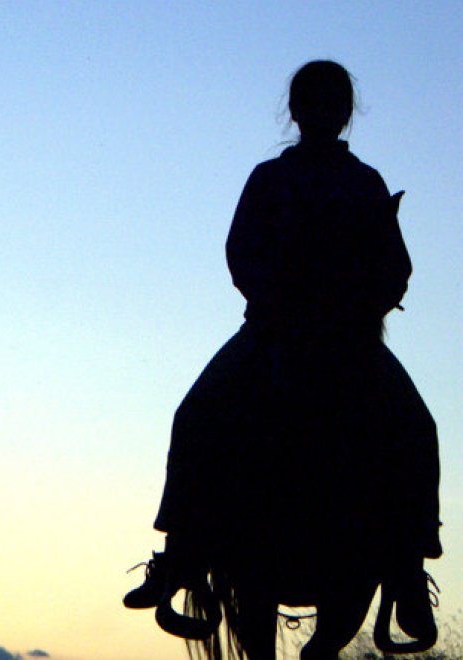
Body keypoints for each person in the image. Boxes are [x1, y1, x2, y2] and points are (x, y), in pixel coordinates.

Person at [124, 61, 440, 624]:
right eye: (312, 102)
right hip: (273, 328)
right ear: (296, 111)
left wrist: (360, 304)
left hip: (348, 338)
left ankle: (408, 565)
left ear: (345, 113)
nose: (323, 112)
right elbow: (240, 251)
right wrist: (282, 300)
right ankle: (182, 551)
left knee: (417, 425)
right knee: (195, 414)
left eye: (333, 103)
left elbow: (396, 265)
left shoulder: (365, 184)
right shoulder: (268, 179)